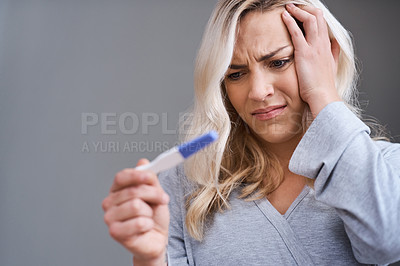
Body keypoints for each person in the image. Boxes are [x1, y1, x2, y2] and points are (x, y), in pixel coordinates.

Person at [102, 0, 400, 265]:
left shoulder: (388, 167)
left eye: (278, 62)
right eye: (236, 74)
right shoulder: (184, 187)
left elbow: (385, 242)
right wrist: (150, 258)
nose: (258, 92)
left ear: (324, 58)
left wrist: (323, 93)